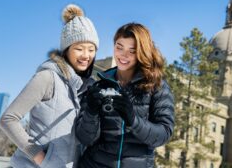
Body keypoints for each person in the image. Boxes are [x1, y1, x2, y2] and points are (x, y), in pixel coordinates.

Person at [0, 4, 99, 168]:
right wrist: (40, 158)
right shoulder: (48, 77)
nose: (86, 55)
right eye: (79, 49)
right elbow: (8, 119)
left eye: (91, 49)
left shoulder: (86, 87)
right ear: (66, 50)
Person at [75, 23, 175, 168]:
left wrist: (134, 120)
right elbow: (86, 139)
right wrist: (91, 112)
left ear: (142, 52)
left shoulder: (157, 87)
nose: (123, 55)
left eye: (132, 51)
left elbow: (163, 134)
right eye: (119, 47)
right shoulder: (99, 86)